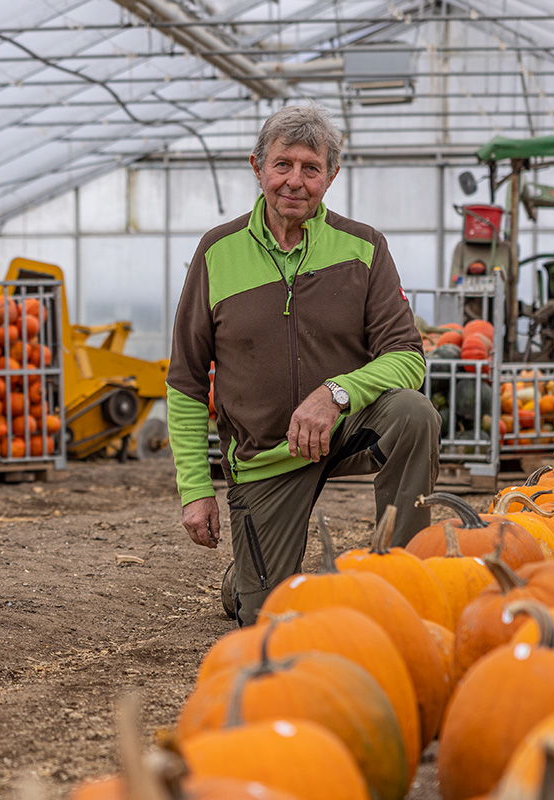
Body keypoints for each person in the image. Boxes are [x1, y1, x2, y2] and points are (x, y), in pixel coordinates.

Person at [166, 105, 441, 626]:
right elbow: (184, 380)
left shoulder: (364, 248)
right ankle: (247, 579)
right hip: (265, 454)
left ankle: (399, 577)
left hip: (347, 429)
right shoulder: (217, 252)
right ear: (257, 167)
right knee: (266, 615)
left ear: (331, 176)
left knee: (413, 414)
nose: (295, 181)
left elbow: (407, 357)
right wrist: (196, 490)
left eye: (311, 168)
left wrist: (335, 393)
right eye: (282, 165)